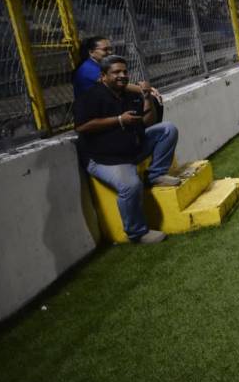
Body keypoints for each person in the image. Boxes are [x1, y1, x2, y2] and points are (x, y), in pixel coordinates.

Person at [74, 55, 180, 244]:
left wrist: (146, 98)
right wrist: (119, 120)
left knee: (167, 129)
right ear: (103, 76)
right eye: (116, 72)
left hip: (132, 148)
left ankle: (155, 175)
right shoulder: (91, 96)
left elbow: (149, 122)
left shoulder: (130, 94)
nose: (122, 75)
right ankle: (137, 233)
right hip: (104, 159)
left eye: (124, 71)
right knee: (131, 185)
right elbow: (81, 126)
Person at [73, 36, 162, 103]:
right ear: (91, 52)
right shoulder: (88, 68)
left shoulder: (99, 65)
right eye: (105, 50)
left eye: (111, 49)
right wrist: (146, 90)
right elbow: (118, 84)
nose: (110, 52)